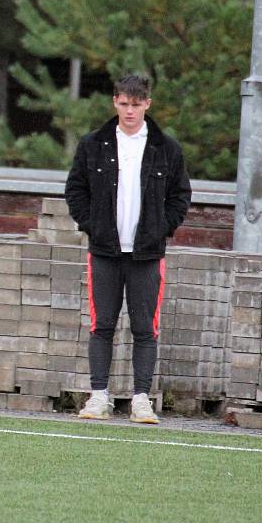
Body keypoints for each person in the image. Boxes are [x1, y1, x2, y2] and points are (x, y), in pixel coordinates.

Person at [65, 75, 192, 424]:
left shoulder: (167, 148)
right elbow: (75, 189)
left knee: (144, 328)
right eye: (124, 103)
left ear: (147, 104)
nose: (130, 111)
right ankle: (99, 396)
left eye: (136, 104)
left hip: (147, 253)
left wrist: (160, 229)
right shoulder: (93, 144)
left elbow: (181, 195)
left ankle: (140, 399)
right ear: (115, 102)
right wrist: (92, 225)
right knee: (101, 324)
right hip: (105, 250)